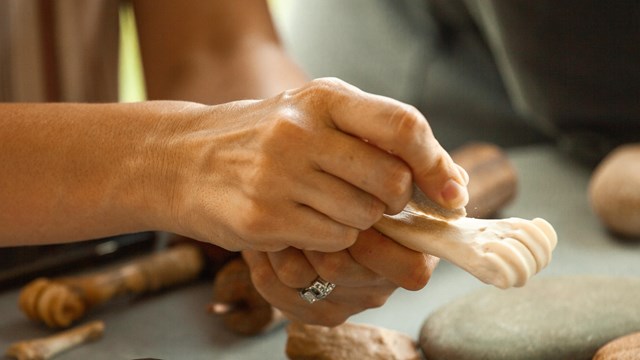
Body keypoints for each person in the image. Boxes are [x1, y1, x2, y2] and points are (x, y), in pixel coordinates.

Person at [0, 1, 469, 326]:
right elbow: (183, 160)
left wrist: (301, 155)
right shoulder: (173, 163)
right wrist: (170, 163)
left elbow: (214, 44)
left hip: (89, 264)